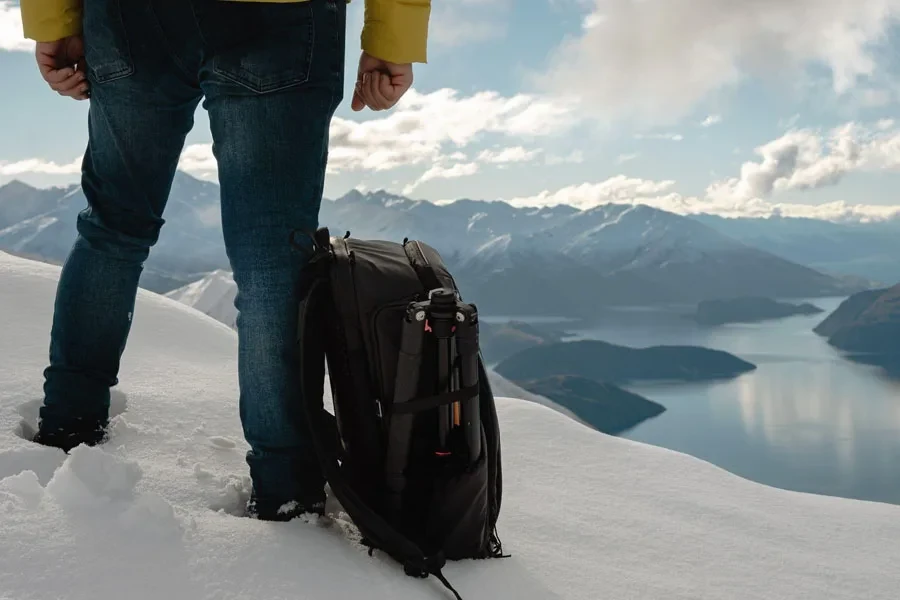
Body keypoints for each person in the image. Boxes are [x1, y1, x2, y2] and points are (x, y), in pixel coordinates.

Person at [19, 0, 430, 521]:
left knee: (113, 229)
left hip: (131, 16)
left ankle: (67, 429)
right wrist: (393, 37)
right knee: (272, 267)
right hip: (281, 16)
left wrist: (54, 20)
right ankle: (285, 490)